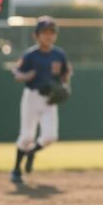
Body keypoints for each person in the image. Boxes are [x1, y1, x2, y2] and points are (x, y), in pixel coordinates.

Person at [11, 16, 71, 183]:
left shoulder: (59, 54)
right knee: (26, 136)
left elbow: (66, 74)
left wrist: (65, 86)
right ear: (36, 35)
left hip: (49, 99)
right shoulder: (31, 55)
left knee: (50, 136)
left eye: (51, 32)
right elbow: (16, 73)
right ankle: (16, 169)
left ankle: (31, 152)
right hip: (32, 97)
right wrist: (26, 76)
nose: (48, 36)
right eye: (44, 32)